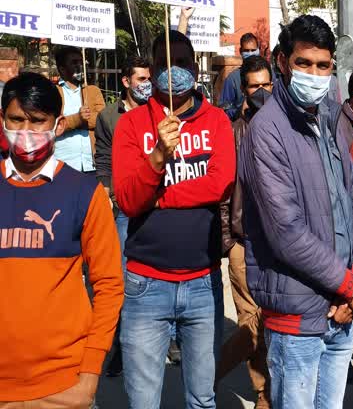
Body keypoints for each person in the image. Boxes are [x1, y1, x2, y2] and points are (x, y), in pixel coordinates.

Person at [240, 15, 353, 409]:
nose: (314, 74)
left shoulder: (328, 118)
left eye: (323, 66)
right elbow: (286, 233)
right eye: (304, 64)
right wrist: (351, 286)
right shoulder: (267, 130)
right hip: (297, 319)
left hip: (340, 310)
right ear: (283, 62)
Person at [113, 31, 236, 409]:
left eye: (183, 62)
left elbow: (221, 185)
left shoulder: (216, 121)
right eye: (166, 63)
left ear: (195, 68)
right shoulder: (132, 125)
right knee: (144, 402)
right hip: (145, 285)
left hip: (202, 282)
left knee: (202, 399)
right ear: (151, 71)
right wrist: (155, 159)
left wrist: (160, 198)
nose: (175, 70)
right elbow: (130, 199)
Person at [0, 72, 123, 408]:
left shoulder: (85, 193)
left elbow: (110, 286)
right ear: (2, 121)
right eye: (16, 119)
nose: (26, 131)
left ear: (57, 126)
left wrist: (89, 375)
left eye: (38, 121)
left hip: (64, 385)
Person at [216, 55, 273, 408]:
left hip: (279, 242)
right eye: (255, 86)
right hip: (243, 240)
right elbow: (223, 191)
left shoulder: (288, 125)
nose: (262, 91)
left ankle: (207, 371)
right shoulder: (233, 131)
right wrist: (229, 241)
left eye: (267, 84)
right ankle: (263, 395)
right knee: (253, 321)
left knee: (268, 322)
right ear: (243, 90)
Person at [94, 56, 152, 377]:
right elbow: (103, 159)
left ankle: (166, 339)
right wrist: (107, 192)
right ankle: (122, 345)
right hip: (124, 208)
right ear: (126, 82)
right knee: (123, 279)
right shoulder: (108, 117)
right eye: (141, 79)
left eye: (149, 78)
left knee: (156, 275)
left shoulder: (159, 111)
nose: (147, 84)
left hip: (156, 207)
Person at [53, 46, 106, 174]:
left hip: (91, 164)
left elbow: (102, 120)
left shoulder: (92, 91)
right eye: (74, 62)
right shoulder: (53, 92)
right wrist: (77, 119)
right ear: (62, 69)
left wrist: (68, 121)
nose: (80, 66)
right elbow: (51, 126)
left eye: (81, 62)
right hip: (62, 164)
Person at [220, 33, 261, 120]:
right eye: (246, 50)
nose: (250, 53)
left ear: (258, 49)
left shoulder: (269, 74)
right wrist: (240, 111)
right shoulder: (233, 78)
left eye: (253, 50)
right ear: (240, 51)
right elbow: (224, 110)